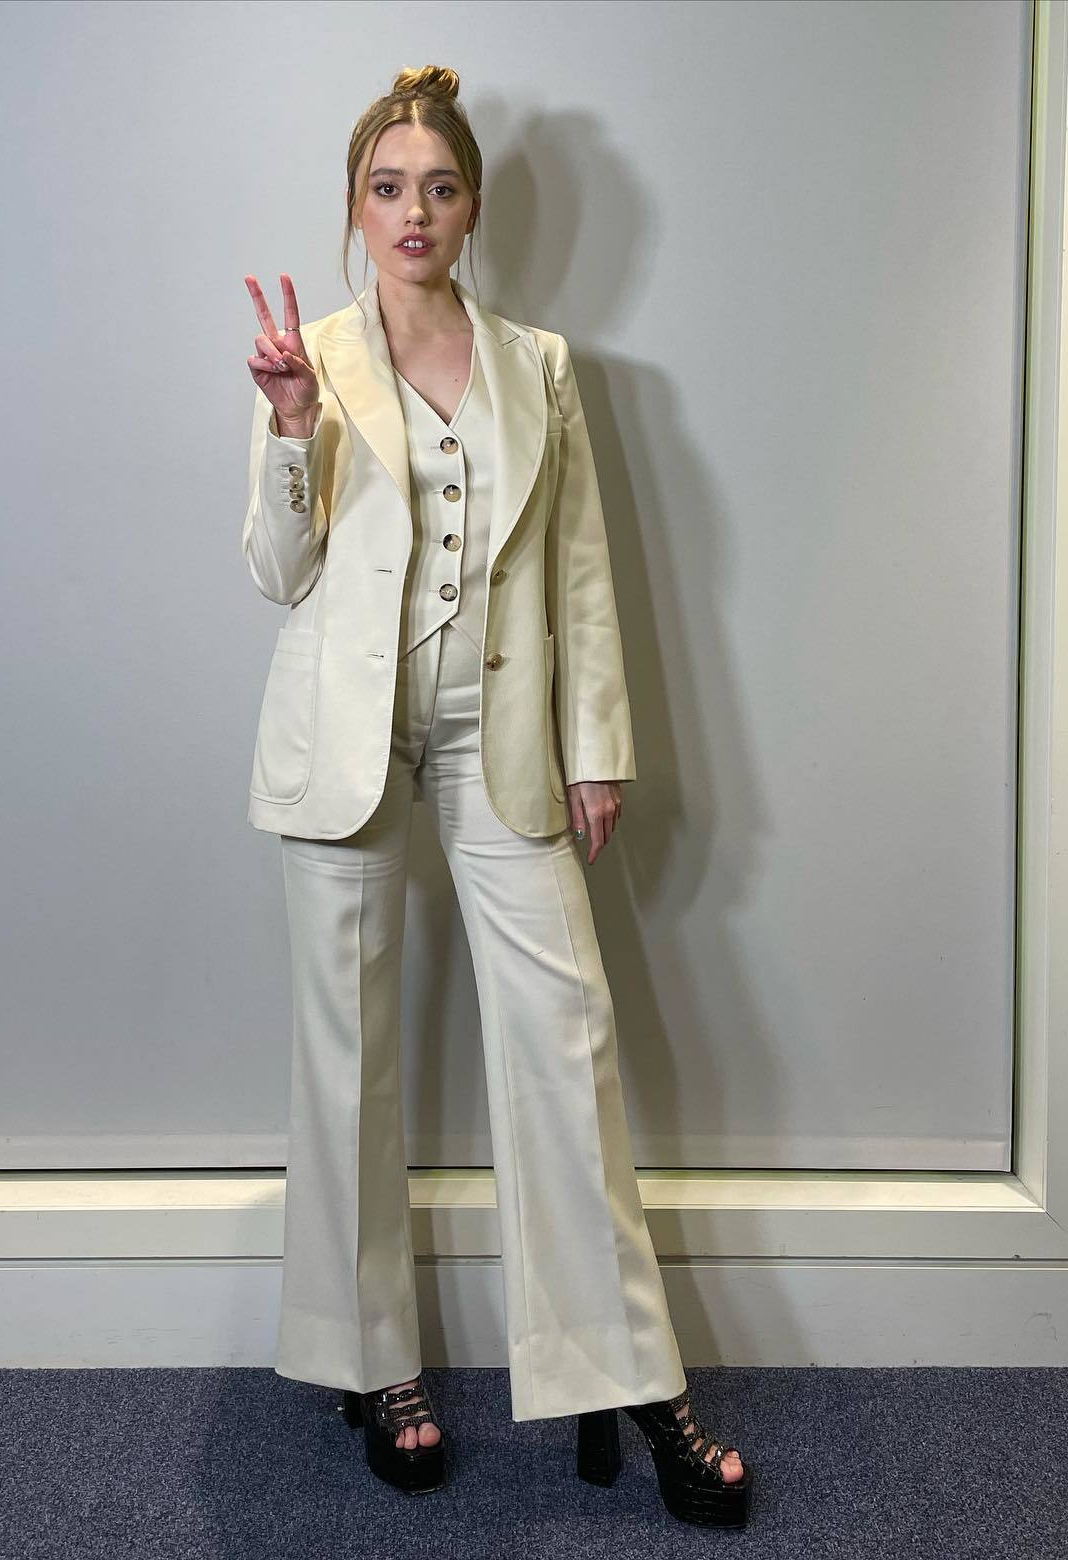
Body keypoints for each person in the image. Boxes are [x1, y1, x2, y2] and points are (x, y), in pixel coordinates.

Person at [239, 64, 753, 1528]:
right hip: (344, 739)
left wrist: (597, 744)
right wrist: (289, 432)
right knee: (346, 1056)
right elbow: (276, 573)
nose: (415, 211)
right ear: (357, 207)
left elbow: (581, 564)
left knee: (565, 1041)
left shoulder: (540, 365)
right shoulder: (308, 358)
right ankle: (375, 1365)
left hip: (498, 734)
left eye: (441, 187)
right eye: (388, 188)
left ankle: (627, 1373)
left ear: (472, 209)